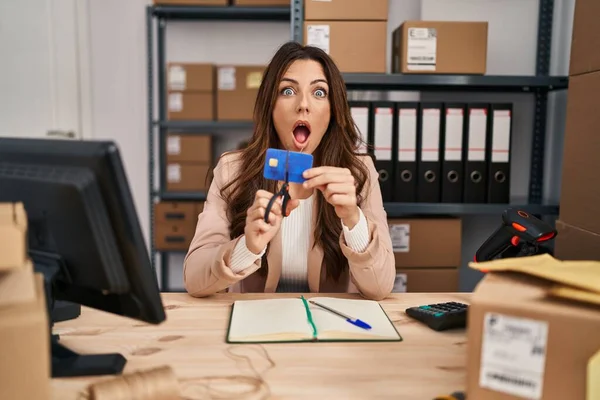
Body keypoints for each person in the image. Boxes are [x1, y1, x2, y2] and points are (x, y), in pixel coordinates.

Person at [183, 41, 395, 301]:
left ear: (333, 110)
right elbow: (194, 279)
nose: (303, 105)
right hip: (255, 328)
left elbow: (381, 287)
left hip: (331, 329)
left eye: (319, 93)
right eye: (287, 91)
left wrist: (353, 219)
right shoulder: (232, 170)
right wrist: (247, 247)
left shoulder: (359, 173)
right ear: (269, 106)